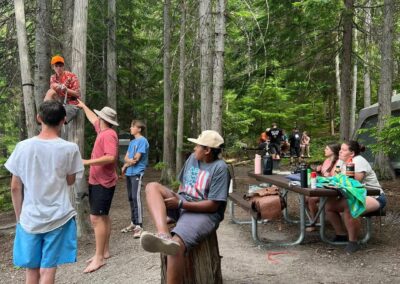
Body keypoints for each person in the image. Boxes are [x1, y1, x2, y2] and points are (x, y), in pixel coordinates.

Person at [4, 100, 84, 284]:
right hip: (59, 216)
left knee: (31, 269)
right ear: (64, 120)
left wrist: (19, 217)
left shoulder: (22, 147)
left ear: (39, 118)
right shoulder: (70, 149)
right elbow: (71, 181)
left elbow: (15, 186)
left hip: (29, 218)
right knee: (48, 269)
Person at [140, 130, 230, 283]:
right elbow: (183, 185)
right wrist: (177, 202)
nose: (194, 148)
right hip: (183, 202)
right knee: (152, 186)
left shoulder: (220, 168)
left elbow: (213, 206)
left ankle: (170, 243)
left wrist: (181, 204)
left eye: (197, 146)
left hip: (204, 213)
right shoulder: (193, 159)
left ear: (207, 150)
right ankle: (163, 235)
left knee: (175, 247)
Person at [76, 99, 119, 273]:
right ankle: (105, 251)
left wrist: (87, 162)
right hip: (98, 181)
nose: (97, 119)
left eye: (99, 116)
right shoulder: (102, 129)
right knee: (103, 216)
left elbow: (111, 157)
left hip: (104, 182)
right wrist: (83, 105)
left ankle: (99, 257)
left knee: (96, 218)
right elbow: (93, 118)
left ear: (104, 119)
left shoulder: (108, 134)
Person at [325, 141, 387, 253]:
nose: (340, 151)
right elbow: (334, 175)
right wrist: (339, 160)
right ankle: (341, 235)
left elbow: (355, 181)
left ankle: (353, 242)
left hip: (374, 196)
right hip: (353, 195)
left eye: (343, 150)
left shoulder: (359, 161)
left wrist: (340, 176)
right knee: (329, 206)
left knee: (352, 206)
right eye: (340, 149)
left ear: (352, 153)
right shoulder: (343, 161)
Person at [120, 120, 149, 238]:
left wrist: (126, 164)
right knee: (131, 198)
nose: (130, 128)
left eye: (133, 126)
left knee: (136, 198)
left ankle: (139, 226)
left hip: (137, 172)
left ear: (139, 129)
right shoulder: (132, 142)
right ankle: (133, 222)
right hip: (129, 173)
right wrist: (127, 162)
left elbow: (136, 159)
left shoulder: (142, 141)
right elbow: (126, 157)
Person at [306, 143, 340, 232]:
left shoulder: (338, 163)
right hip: (323, 187)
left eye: (327, 149)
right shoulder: (326, 161)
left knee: (311, 199)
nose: (324, 150)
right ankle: (315, 219)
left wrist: (326, 176)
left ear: (333, 151)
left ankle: (314, 223)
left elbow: (337, 178)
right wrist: (318, 170)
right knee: (305, 198)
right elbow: (322, 175)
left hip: (333, 190)